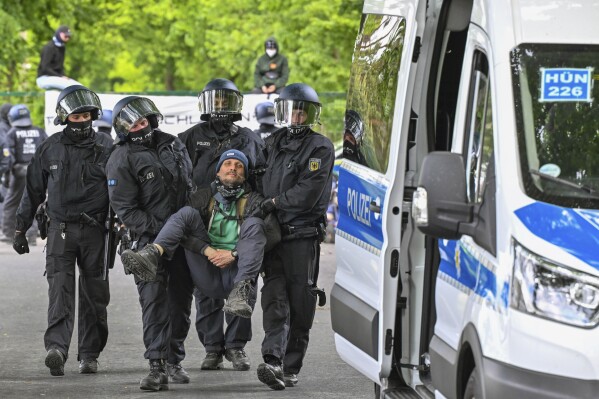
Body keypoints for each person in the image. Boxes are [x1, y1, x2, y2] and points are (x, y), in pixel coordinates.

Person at [120, 150, 279, 361]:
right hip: (207, 264)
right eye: (228, 164)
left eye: (239, 166)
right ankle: (152, 253)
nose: (233, 168)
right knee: (185, 214)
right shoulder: (202, 197)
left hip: (237, 269)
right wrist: (208, 250)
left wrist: (233, 253)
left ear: (245, 173)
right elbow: (184, 234)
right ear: (218, 171)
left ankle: (235, 347)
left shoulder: (255, 200)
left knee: (256, 225)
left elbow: (272, 234)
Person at [12, 85, 112, 377]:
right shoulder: (49, 147)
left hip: (97, 232)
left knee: (95, 295)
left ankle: (90, 355)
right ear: (64, 117)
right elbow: (32, 191)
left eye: (86, 115)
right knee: (60, 292)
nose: (81, 120)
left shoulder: (107, 146)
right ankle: (56, 349)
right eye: (75, 116)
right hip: (60, 231)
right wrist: (20, 229)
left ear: (93, 116)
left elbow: (123, 191)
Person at [176, 78, 266, 373]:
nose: (221, 108)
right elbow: (180, 180)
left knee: (242, 285)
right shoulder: (189, 137)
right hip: (205, 220)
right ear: (205, 104)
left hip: (240, 215)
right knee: (206, 291)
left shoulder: (250, 138)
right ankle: (212, 348)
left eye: (227, 102)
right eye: (216, 101)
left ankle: (236, 347)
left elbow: (261, 178)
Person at [106, 96, 193, 391]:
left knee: (180, 302)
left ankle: (174, 360)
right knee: (154, 302)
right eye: (133, 124)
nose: (141, 126)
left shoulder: (174, 143)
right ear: (123, 129)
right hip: (145, 241)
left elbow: (189, 185)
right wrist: (164, 230)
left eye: (144, 120)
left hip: (183, 239)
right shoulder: (121, 158)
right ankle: (156, 366)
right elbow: (126, 210)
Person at [256, 83, 334, 390]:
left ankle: (291, 366)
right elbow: (256, 175)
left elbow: (307, 193)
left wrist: (274, 203)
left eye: (302, 111)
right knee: (274, 299)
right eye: (292, 111)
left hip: (302, 237)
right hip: (272, 236)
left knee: (300, 303)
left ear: (311, 114)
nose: (297, 117)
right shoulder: (272, 141)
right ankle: (272, 361)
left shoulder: (321, 147)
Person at [1, 104, 47, 245]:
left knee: (11, 203)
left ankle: (8, 234)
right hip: (36, 172)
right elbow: (47, 150)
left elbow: (9, 155)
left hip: (18, 173)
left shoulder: (12, 132)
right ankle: (32, 235)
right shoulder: (39, 131)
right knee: (35, 203)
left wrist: (9, 173)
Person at [36, 25, 82, 90]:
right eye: (66, 36)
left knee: (80, 86)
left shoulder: (62, 48)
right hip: (44, 78)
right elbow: (45, 68)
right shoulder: (49, 47)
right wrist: (60, 76)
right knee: (72, 87)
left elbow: (60, 67)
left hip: (56, 78)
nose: (67, 38)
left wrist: (62, 75)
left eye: (69, 37)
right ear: (59, 34)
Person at [0, 103, 12, 233]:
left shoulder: (7, 126)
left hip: (7, 165)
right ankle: (4, 226)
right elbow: (5, 148)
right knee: (5, 197)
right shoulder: (2, 127)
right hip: (5, 167)